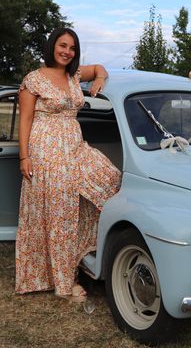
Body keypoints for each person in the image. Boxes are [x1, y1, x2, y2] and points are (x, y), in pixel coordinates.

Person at [16, 27, 121, 303]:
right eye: (62, 45)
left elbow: (100, 67)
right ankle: (65, 282)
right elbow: (25, 120)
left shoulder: (73, 75)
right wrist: (24, 157)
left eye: (72, 48)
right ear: (52, 46)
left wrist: (98, 78)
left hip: (74, 145)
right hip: (46, 149)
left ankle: (85, 253)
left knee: (110, 179)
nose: (67, 52)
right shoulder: (34, 79)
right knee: (61, 212)